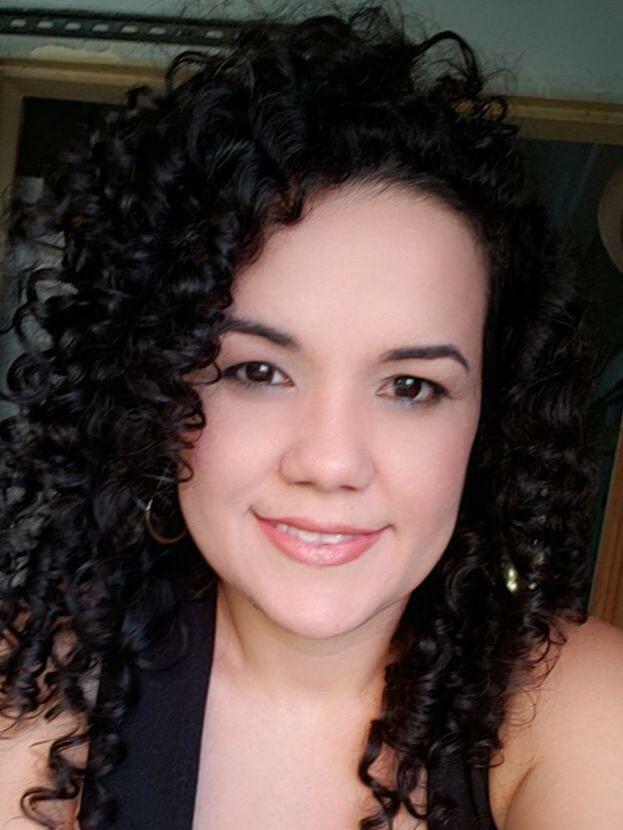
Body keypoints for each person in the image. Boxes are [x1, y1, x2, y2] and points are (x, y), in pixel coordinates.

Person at [1, 3, 623, 829]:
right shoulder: (30, 693)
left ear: (489, 418)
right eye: (257, 372)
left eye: (411, 386)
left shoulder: (586, 708)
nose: (330, 462)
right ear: (154, 389)